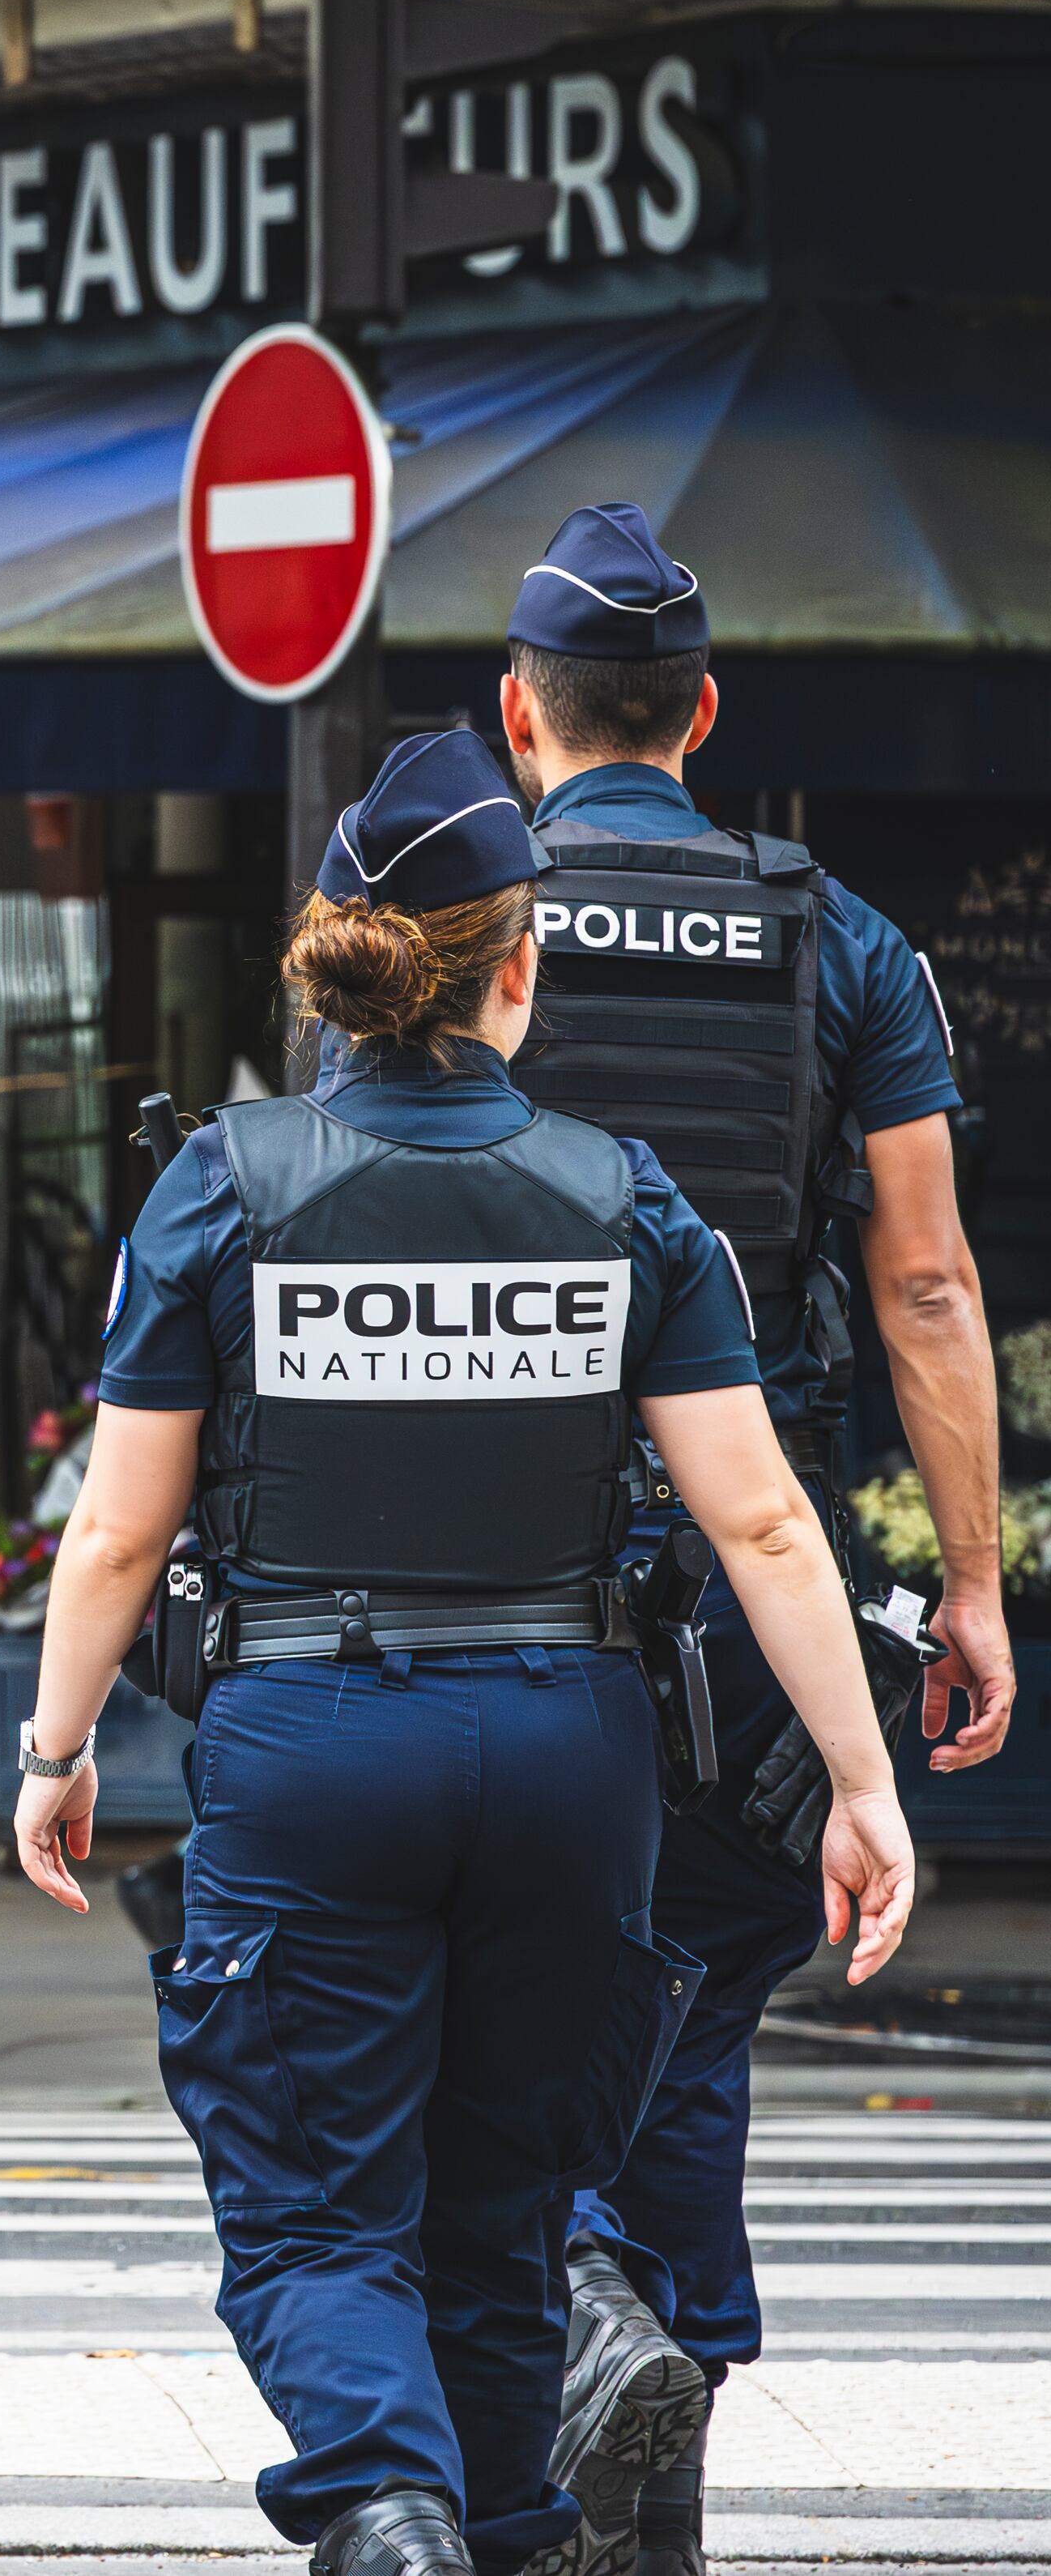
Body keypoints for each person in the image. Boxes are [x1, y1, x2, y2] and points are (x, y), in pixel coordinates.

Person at [18, 728, 917, 2576]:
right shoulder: (626, 1194)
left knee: (310, 2210)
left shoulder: (222, 1185)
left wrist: (50, 1749)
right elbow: (759, 1521)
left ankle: (384, 2500)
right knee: (506, 2211)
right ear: (523, 967)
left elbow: (113, 1524)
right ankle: (491, 2531)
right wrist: (857, 1774)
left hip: (307, 1735)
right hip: (564, 1745)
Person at [488, 505, 1015, 2576]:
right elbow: (926, 1284)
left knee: (477, 2014)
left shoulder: (462, 922)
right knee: (696, 2007)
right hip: (752, 1578)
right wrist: (968, 1585)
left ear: (517, 716)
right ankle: (654, 2456)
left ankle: (584, 2324)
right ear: (702, 714)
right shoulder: (842, 942)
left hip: (484, 1565)